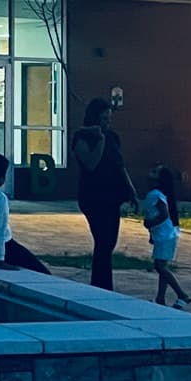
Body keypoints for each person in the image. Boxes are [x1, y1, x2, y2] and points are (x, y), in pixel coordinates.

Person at [72, 97, 136, 289]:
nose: (107, 123)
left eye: (109, 119)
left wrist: (131, 189)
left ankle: (102, 282)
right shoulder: (81, 138)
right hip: (93, 196)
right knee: (102, 240)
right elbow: (91, 164)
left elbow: (120, 165)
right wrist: (99, 139)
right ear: (93, 118)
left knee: (110, 242)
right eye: (103, 119)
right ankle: (102, 284)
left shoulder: (113, 137)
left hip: (112, 196)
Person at [142, 164, 191, 309]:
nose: (150, 172)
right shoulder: (158, 194)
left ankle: (182, 295)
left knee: (160, 267)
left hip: (165, 235)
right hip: (165, 235)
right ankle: (160, 298)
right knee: (162, 266)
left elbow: (163, 215)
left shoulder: (156, 195)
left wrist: (150, 224)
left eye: (154, 171)